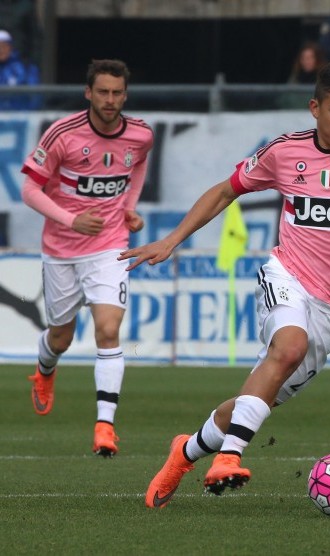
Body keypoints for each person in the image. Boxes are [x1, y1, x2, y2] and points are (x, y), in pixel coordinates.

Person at [120, 60, 330, 509]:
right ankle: (229, 458)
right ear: (314, 108)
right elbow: (224, 191)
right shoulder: (284, 151)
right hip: (288, 274)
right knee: (288, 346)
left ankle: (185, 452)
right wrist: (173, 239)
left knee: (253, 401)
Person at [20, 59, 154, 457]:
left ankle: (105, 427)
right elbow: (30, 188)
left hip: (110, 244)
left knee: (108, 330)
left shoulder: (141, 135)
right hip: (61, 249)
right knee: (61, 336)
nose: (110, 100)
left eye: (117, 93)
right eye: (103, 92)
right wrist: (71, 219)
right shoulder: (63, 134)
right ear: (88, 93)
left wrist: (130, 206)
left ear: (125, 95)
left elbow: (139, 165)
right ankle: (44, 371)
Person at [0, 29, 40, 110]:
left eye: (4, 46)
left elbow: (35, 95)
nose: (1, 50)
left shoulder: (25, 67)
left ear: (10, 47)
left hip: (20, 118)